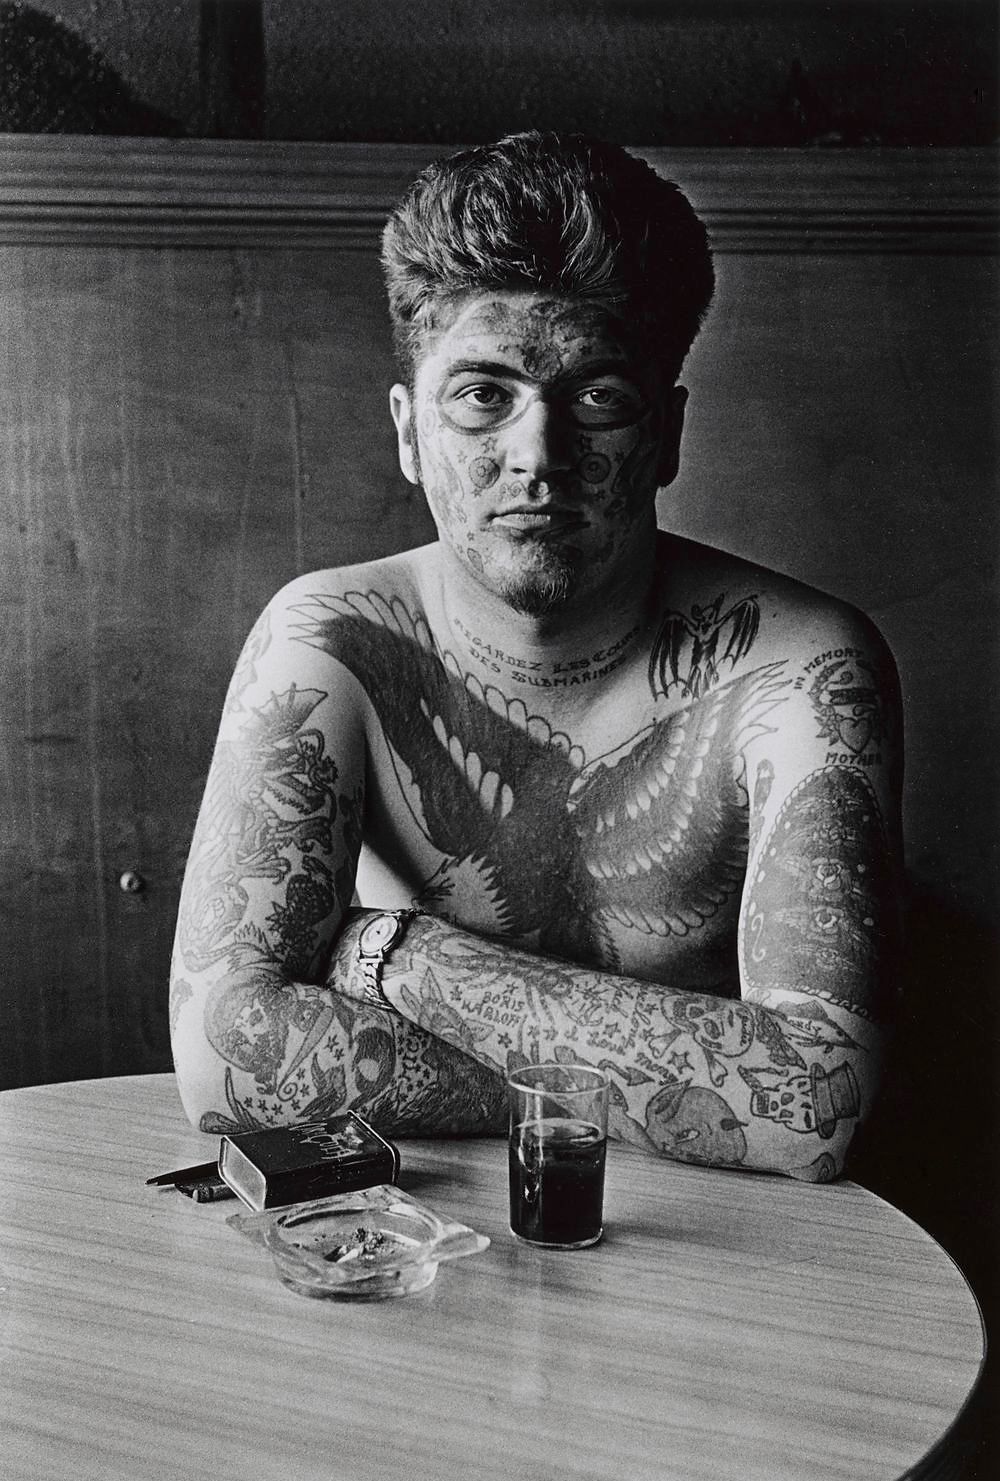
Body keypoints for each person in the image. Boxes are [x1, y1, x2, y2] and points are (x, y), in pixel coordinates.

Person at [170, 131, 903, 1182]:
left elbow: (814, 1108)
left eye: (597, 398)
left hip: (726, 1250)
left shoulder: (797, 670)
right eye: (482, 396)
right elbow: (222, 1064)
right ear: (410, 431)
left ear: (666, 435)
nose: (537, 457)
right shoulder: (328, 640)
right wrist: (660, 1083)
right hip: (430, 1234)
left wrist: (393, 957)